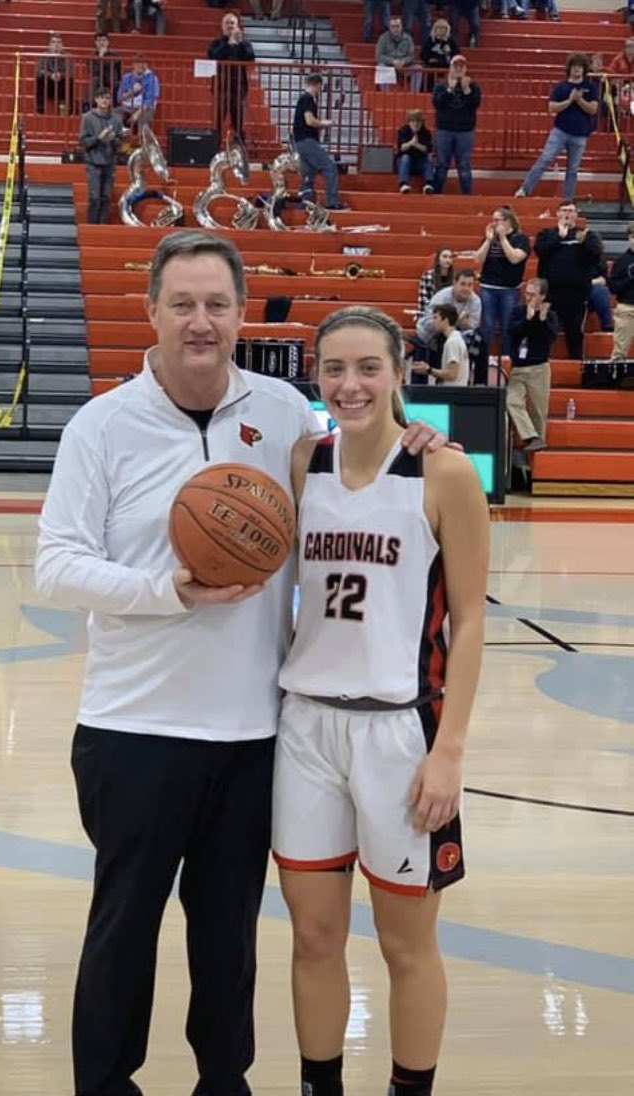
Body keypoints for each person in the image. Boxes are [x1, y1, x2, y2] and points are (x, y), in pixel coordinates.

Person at [34, 230, 444, 1096]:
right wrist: (168, 590)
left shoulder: (285, 411)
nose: (201, 321)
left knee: (228, 937)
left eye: (217, 304)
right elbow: (56, 567)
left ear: (241, 313)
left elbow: (356, 466)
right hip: (132, 729)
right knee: (122, 930)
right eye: (182, 304)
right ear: (151, 311)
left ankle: (225, 1083)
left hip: (254, 731)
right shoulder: (100, 425)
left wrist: (416, 438)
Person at [272, 304, 489, 1096]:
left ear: (401, 373)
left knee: (406, 947)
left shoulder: (444, 473)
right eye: (334, 369)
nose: (351, 384)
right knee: (313, 938)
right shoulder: (303, 463)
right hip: (306, 730)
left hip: (401, 733)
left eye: (369, 368)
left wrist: (449, 751)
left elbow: (470, 621)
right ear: (316, 377)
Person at [514, 54, 599, 202]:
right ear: (569, 68)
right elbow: (552, 107)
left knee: (572, 169)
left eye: (580, 67)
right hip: (560, 131)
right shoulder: (561, 87)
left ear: (584, 69)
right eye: (574, 66)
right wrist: (570, 100)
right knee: (545, 159)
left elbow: (593, 109)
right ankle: (524, 190)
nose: (577, 69)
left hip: (580, 134)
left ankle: (568, 200)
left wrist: (579, 99)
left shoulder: (590, 87)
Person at [533, 200, 602, 360]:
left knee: (575, 333)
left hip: (577, 295)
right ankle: (540, 362)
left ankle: (576, 365)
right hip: (551, 294)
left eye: (570, 211)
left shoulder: (586, 235)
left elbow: (596, 255)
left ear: (576, 214)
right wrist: (559, 237)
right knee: (545, 330)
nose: (567, 214)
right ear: (557, 213)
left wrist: (584, 243)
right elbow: (540, 250)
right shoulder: (546, 234)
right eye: (564, 210)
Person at [506, 277, 558, 451]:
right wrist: (528, 320)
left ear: (542, 296)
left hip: (539, 368)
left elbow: (549, 339)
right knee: (512, 401)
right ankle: (531, 436)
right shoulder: (518, 312)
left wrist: (540, 320)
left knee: (539, 411)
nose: (528, 298)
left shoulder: (550, 315)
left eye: (532, 295)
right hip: (518, 368)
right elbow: (512, 332)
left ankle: (538, 446)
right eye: (526, 293)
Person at [472, 205, 530, 358]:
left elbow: (514, 259)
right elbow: (478, 259)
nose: (494, 223)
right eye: (493, 220)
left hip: (509, 289)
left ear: (508, 221)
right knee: (487, 326)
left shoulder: (520, 239)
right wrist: (488, 240)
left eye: (497, 220)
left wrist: (503, 238)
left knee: (507, 327)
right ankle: (483, 360)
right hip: (487, 287)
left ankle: (506, 358)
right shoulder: (490, 238)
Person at [292, 74, 346, 212]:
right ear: (318, 85)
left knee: (309, 174)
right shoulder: (308, 99)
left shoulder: (302, 99)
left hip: (299, 142)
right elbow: (310, 120)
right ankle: (332, 202)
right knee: (330, 167)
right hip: (307, 141)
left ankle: (306, 204)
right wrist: (325, 123)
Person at [431, 55, 480, 195]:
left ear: (465, 69)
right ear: (450, 68)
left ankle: (467, 197)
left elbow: (476, 104)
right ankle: (436, 195)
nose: (458, 69)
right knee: (441, 165)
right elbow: (437, 103)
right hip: (444, 130)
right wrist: (449, 90)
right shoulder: (441, 86)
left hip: (465, 131)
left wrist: (467, 91)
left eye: (461, 66)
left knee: (464, 166)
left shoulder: (473, 86)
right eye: (455, 66)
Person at [79, 88, 125, 225]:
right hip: (93, 162)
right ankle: (91, 225)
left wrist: (113, 139)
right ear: (96, 100)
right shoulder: (87, 118)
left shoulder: (116, 119)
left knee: (106, 197)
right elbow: (83, 141)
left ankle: (102, 225)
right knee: (94, 197)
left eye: (107, 98)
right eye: (102, 97)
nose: (105, 100)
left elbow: (120, 141)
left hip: (109, 162)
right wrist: (98, 138)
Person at [207, 13, 255, 142]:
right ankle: (214, 146)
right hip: (221, 87)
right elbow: (213, 56)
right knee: (217, 120)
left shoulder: (244, 43)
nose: (230, 26)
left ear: (237, 26)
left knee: (238, 120)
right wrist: (228, 44)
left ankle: (239, 146)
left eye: (232, 23)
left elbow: (250, 57)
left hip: (238, 86)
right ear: (222, 26)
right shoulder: (216, 43)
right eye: (227, 23)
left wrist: (239, 43)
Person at [412, 303, 470, 384]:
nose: (433, 322)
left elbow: (452, 374)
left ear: (445, 320)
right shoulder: (456, 338)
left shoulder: (452, 342)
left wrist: (428, 370)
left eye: (435, 318)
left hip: (452, 391)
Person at [608, 222, 634, 360]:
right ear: (629, 239)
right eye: (633, 237)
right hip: (626, 308)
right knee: (619, 353)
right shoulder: (621, 261)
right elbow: (613, 287)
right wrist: (629, 279)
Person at [375, 16, 420, 91]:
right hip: (388, 65)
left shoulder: (408, 38)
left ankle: (414, 94)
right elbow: (379, 56)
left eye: (398, 26)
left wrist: (403, 61)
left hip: (404, 66)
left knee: (418, 68)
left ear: (401, 26)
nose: (396, 29)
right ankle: (385, 95)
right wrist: (393, 61)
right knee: (381, 66)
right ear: (389, 28)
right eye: (393, 26)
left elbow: (411, 56)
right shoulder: (382, 38)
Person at [118, 55, 160, 136]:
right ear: (133, 65)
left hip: (144, 108)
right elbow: (119, 98)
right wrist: (131, 92)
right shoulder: (126, 77)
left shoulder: (152, 79)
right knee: (115, 115)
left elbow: (149, 101)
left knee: (144, 118)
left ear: (146, 65)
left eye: (142, 63)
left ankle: (142, 140)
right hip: (127, 106)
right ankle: (121, 139)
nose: (140, 65)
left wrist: (137, 114)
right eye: (137, 63)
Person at [395, 109, 434, 194]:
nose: (416, 124)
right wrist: (411, 143)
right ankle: (403, 184)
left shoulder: (426, 132)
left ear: (422, 122)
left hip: (419, 162)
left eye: (418, 121)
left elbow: (427, 149)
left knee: (428, 158)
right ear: (409, 122)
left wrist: (417, 145)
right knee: (405, 158)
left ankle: (429, 184)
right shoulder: (403, 131)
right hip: (404, 164)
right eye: (413, 121)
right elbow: (402, 148)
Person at [35, 32, 74, 115]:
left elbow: (70, 72)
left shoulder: (68, 56)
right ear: (49, 45)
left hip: (61, 84)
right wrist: (51, 75)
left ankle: (68, 109)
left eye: (59, 42)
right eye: (54, 42)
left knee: (69, 80)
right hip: (48, 84)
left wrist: (60, 75)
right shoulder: (44, 55)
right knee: (40, 78)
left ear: (62, 45)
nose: (56, 45)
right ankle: (40, 108)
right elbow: (39, 71)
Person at [85, 32, 122, 111]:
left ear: (108, 42)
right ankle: (90, 107)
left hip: (111, 81)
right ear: (95, 43)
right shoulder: (91, 56)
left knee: (118, 84)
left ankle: (116, 109)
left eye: (104, 40)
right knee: (95, 80)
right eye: (99, 40)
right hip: (98, 81)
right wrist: (101, 57)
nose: (101, 43)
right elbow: (93, 71)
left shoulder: (115, 55)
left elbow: (119, 71)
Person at [420, 19, 458, 90]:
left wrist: (449, 53)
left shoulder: (451, 41)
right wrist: (429, 59)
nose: (442, 30)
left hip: (447, 66)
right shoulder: (430, 40)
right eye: (440, 28)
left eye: (444, 28)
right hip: (432, 66)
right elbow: (423, 54)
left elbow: (457, 55)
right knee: (428, 74)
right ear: (435, 29)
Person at [417, 246, 454, 316]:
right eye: (445, 256)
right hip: (430, 314)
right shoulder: (427, 276)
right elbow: (423, 301)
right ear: (438, 259)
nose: (448, 260)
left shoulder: (455, 278)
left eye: (450, 257)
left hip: (450, 316)